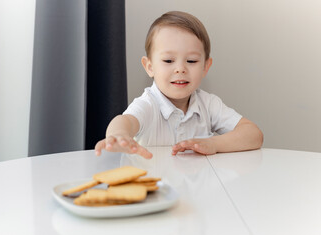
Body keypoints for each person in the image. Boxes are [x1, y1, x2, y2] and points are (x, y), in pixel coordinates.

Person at [95, 11, 263, 159]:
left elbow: (253, 134)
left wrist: (213, 144)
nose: (180, 69)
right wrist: (118, 135)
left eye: (191, 61)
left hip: (195, 190)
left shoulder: (208, 104)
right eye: (168, 60)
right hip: (153, 189)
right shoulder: (148, 104)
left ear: (205, 67)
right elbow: (126, 121)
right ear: (149, 67)